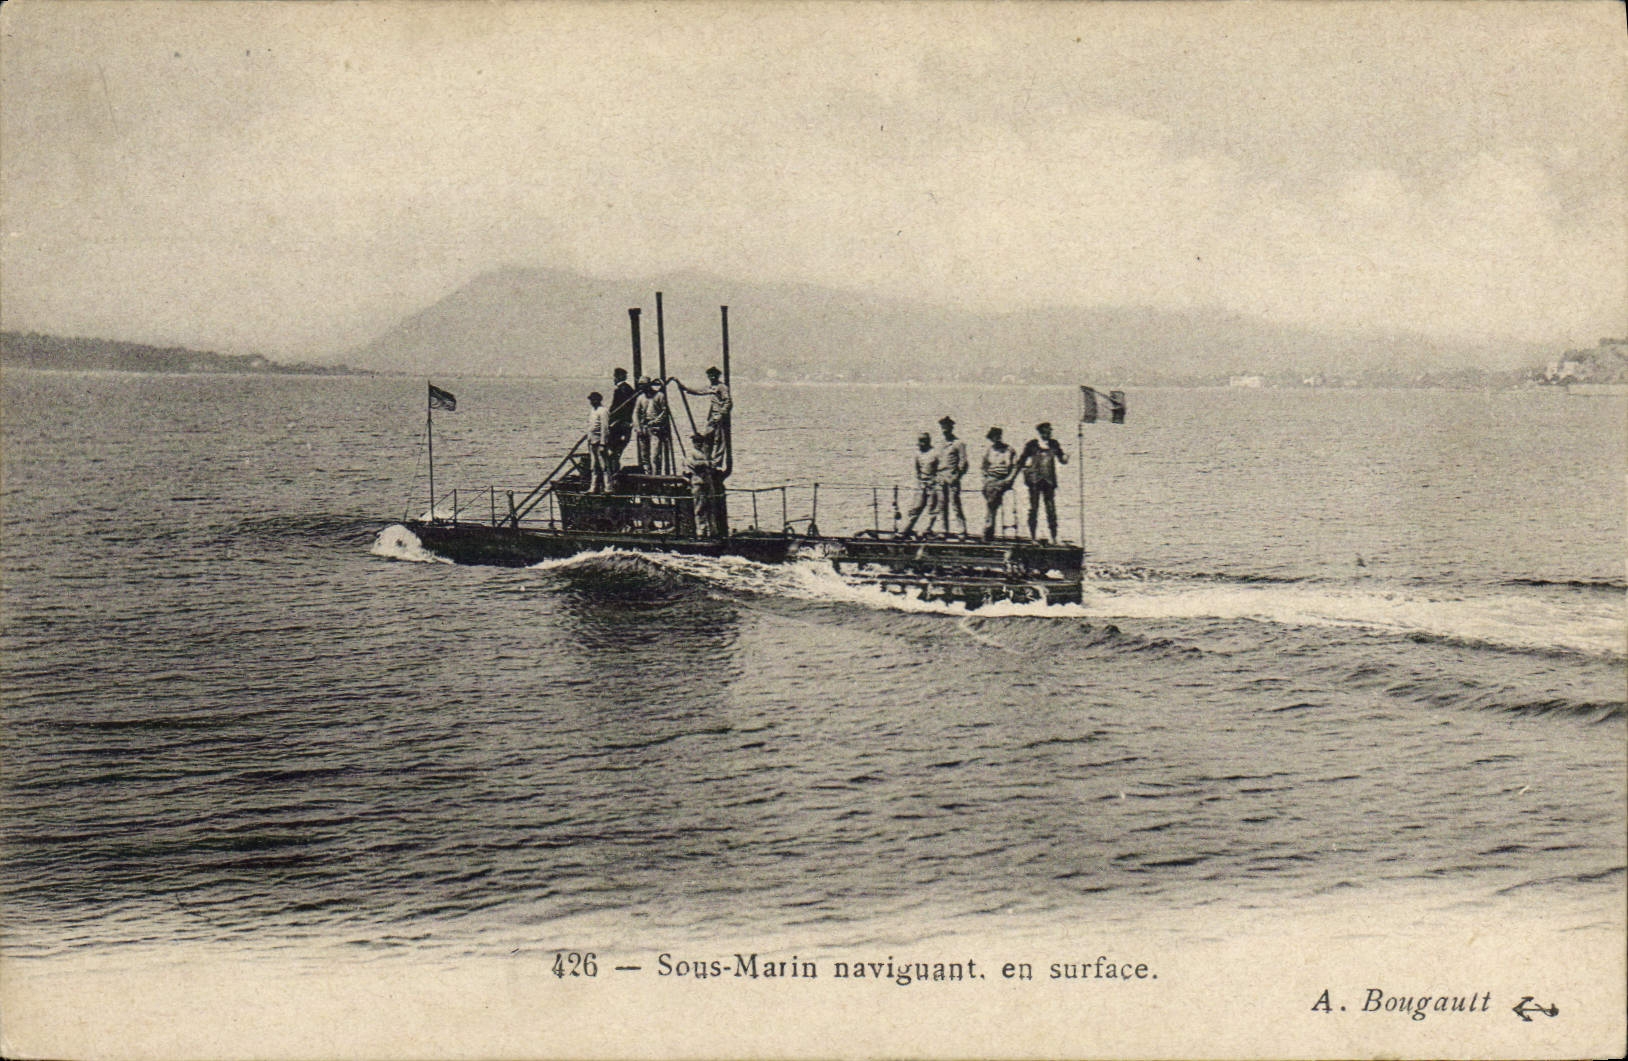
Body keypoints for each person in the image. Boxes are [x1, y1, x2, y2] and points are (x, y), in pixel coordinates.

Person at [1018, 421, 1068, 541]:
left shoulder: (1054, 444)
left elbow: (1062, 459)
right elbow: (1021, 461)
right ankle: (1033, 536)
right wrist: (1026, 471)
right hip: (1035, 481)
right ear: (1041, 432)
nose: (1049, 433)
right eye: (1047, 431)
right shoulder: (1032, 444)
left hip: (1049, 481)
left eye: (1049, 431)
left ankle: (1054, 537)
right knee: (1034, 508)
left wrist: (1066, 458)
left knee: (1051, 509)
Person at [679, 366, 732, 455]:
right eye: (710, 376)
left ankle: (717, 461)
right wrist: (686, 388)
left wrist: (722, 413)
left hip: (719, 415)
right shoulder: (711, 387)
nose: (712, 377)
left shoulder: (722, 387)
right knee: (708, 436)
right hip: (712, 416)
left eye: (714, 375)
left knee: (719, 440)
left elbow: (728, 401)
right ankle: (707, 458)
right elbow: (700, 391)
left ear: (718, 376)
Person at [979, 426, 1019, 541]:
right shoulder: (989, 450)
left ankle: (988, 527)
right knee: (991, 494)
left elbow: (1015, 467)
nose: (995, 439)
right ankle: (989, 526)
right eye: (993, 437)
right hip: (991, 479)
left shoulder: (1009, 450)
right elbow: (983, 466)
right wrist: (984, 478)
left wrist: (1009, 479)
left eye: (997, 436)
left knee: (992, 496)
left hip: (1003, 479)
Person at [899, 432, 942, 537]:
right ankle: (903, 531)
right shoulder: (918, 454)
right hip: (922, 485)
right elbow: (917, 470)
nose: (920, 445)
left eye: (922, 442)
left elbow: (940, 470)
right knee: (915, 508)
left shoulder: (935, 454)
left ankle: (924, 531)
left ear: (927, 442)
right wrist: (920, 482)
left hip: (933, 485)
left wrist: (935, 482)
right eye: (919, 442)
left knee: (932, 509)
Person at [685, 432, 725, 536]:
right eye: (696, 442)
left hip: (707, 482)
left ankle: (712, 530)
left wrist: (709, 464)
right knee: (700, 507)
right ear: (693, 443)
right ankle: (701, 530)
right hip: (698, 482)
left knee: (711, 506)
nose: (698, 444)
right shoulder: (691, 453)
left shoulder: (704, 453)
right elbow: (693, 464)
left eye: (700, 442)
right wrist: (706, 463)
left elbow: (712, 464)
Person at [935, 415, 968, 536]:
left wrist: (957, 476)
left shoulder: (958, 443)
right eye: (943, 427)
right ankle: (944, 530)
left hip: (952, 477)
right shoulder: (939, 444)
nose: (945, 430)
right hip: (940, 477)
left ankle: (961, 530)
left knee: (955, 504)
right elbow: (936, 460)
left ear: (951, 428)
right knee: (941, 504)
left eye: (947, 427)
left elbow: (963, 463)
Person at [633, 375, 670, 474]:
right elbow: (635, 412)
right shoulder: (640, 398)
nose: (641, 387)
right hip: (643, 429)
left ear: (649, 385)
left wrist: (655, 422)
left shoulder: (659, 396)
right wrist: (638, 427)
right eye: (640, 385)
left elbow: (664, 412)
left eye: (643, 385)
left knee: (655, 456)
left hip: (655, 429)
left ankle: (656, 476)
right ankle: (648, 475)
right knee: (644, 456)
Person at [606, 367, 636, 471]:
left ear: (618, 377)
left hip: (619, 424)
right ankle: (613, 468)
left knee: (613, 447)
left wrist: (611, 419)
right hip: (623, 423)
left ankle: (613, 470)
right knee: (615, 449)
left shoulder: (622, 390)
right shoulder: (627, 389)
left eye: (614, 377)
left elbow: (620, 407)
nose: (613, 379)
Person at [584, 391, 610, 493]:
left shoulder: (603, 411)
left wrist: (603, 443)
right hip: (592, 441)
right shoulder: (592, 411)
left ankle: (608, 487)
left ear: (597, 400)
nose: (591, 402)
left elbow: (605, 428)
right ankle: (593, 487)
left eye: (593, 400)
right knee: (594, 466)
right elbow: (590, 426)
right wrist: (589, 440)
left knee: (604, 466)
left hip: (599, 442)